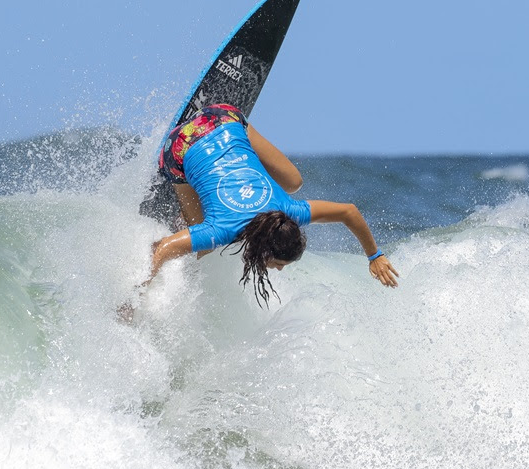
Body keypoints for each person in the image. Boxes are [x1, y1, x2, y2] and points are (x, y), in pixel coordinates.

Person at [125, 103, 399, 314]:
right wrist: (133, 299)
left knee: (293, 182)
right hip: (180, 144)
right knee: (203, 250)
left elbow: (348, 211)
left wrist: (375, 255)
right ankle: (181, 209)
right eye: (277, 264)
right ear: (265, 249)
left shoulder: (289, 210)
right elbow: (160, 248)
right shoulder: (221, 230)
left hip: (223, 115)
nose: (277, 270)